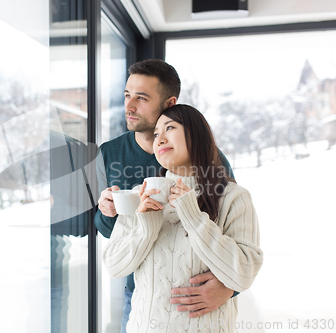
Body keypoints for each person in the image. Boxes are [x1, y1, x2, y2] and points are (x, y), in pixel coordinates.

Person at [95, 59, 236, 332]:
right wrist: (106, 212)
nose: (129, 106)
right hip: (141, 296)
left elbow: (234, 232)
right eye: (127, 95)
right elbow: (112, 235)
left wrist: (228, 289)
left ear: (170, 103)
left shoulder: (212, 159)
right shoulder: (109, 153)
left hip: (198, 297)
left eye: (141, 98)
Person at [102, 104, 264, 332]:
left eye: (170, 128)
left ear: (196, 135)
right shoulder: (141, 194)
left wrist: (194, 218)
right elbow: (114, 267)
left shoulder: (234, 197)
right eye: (156, 133)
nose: (159, 139)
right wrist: (146, 230)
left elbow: (244, 274)